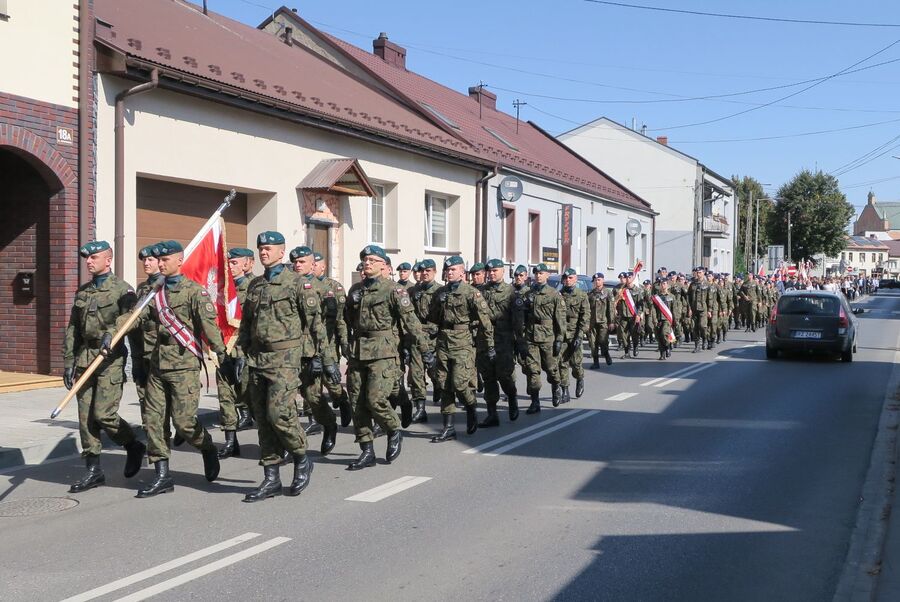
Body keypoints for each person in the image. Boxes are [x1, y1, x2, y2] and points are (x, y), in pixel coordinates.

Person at [123, 240, 226, 498]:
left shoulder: (194, 292)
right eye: (158, 260)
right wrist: (113, 332)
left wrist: (223, 355)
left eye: (165, 259)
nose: (160, 264)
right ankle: (162, 476)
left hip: (183, 365)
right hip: (157, 365)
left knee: (184, 424)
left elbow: (209, 327)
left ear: (180, 261)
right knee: (154, 421)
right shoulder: (153, 292)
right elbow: (135, 317)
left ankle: (207, 447)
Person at [237, 232, 324, 501]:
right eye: (260, 248)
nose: (263, 252)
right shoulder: (256, 285)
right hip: (257, 359)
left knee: (279, 414)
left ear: (281, 251)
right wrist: (240, 353)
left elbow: (315, 323)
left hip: (285, 360)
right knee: (263, 420)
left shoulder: (297, 284)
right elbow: (246, 324)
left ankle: (301, 458)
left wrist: (320, 357)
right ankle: (271, 478)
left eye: (268, 248)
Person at [64, 240, 144, 493]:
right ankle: (93, 470)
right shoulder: (83, 292)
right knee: (86, 417)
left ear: (108, 260)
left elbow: (130, 320)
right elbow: (73, 329)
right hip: (85, 357)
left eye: (94, 257)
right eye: (87, 258)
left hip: (110, 358)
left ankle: (132, 444)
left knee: (104, 414)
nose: (89, 261)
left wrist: (112, 334)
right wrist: (69, 361)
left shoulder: (123, 289)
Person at [344, 245, 432, 468]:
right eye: (365, 260)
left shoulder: (394, 290)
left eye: (373, 260)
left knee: (375, 399)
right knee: (357, 402)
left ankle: (393, 429)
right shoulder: (356, 289)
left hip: (383, 352)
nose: (367, 263)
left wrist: (426, 350)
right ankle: (367, 451)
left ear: (383, 264)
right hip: (358, 351)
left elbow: (411, 322)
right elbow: (347, 320)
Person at [428, 256, 494, 441]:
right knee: (444, 385)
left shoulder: (471, 293)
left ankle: (471, 406)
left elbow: (485, 321)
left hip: (463, 342)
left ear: (462, 272)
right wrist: (438, 305)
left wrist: (489, 345)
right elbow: (432, 319)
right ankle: (448, 427)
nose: (449, 273)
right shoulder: (440, 292)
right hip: (444, 341)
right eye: (447, 270)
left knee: (459, 384)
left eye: (453, 270)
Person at [289, 245, 342, 454]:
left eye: (302, 261)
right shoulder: (286, 285)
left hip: (311, 351)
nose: (297, 265)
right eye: (295, 262)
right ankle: (291, 444)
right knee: (284, 400)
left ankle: (329, 424)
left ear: (313, 265)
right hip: (287, 352)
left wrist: (323, 357)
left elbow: (326, 327)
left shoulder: (322, 289)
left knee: (312, 397)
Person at [215, 247, 256, 460]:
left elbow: (255, 325)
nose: (230, 267)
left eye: (234, 263)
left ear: (248, 264)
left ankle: (277, 441)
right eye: (228, 263)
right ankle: (231, 442)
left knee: (252, 396)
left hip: (248, 353)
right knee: (225, 397)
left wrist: (243, 353)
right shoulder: (222, 290)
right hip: (225, 351)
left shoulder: (255, 287)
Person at [128, 244, 170, 445]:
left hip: (162, 354)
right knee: (145, 397)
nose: (146, 263)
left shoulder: (167, 287)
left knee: (163, 400)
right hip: (143, 353)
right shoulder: (142, 289)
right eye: (144, 260)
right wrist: (135, 359)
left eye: (150, 259)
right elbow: (135, 325)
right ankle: (152, 439)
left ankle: (164, 436)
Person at [514, 263, 565, 413]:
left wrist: (559, 339)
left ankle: (556, 386)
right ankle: (535, 402)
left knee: (550, 368)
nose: (538, 276)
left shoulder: (554, 294)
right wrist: (521, 336)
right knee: (532, 370)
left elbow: (560, 319)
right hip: (531, 336)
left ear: (547, 275)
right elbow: (522, 316)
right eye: (536, 273)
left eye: (541, 273)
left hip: (548, 336)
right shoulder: (529, 294)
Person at [312, 251, 353, 431]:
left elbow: (341, 319)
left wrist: (344, 342)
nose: (313, 267)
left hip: (328, 341)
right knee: (310, 383)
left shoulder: (334, 288)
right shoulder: (301, 285)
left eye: (316, 264)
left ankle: (342, 400)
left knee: (331, 381)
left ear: (323, 267)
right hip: (308, 342)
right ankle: (314, 419)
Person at [478, 258, 519, 425]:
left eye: (495, 270)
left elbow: (517, 320)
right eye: (490, 271)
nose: (492, 273)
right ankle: (492, 414)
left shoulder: (511, 292)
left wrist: (519, 343)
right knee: (488, 377)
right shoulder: (481, 291)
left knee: (504, 375)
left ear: (503, 271)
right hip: (485, 339)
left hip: (504, 340)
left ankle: (512, 397)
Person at [408, 258, 441, 422]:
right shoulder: (414, 291)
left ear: (434, 272)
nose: (424, 274)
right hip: (417, 338)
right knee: (416, 374)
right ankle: (420, 408)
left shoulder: (440, 291)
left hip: (435, 339)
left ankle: (438, 386)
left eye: (428, 271)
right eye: (422, 271)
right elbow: (409, 316)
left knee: (435, 371)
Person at [558, 268, 589, 402]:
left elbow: (585, 316)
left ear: (575, 279)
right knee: (562, 363)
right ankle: (565, 391)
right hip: (562, 334)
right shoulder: (559, 295)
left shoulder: (581, 295)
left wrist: (580, 335)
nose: (568, 280)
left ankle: (580, 378)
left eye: (570, 278)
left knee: (576, 363)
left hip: (575, 334)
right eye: (566, 278)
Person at [587, 272, 614, 368]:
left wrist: (611, 322)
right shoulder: (591, 294)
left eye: (598, 280)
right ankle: (596, 362)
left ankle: (606, 354)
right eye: (595, 280)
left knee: (603, 341)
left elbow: (611, 308)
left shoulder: (608, 293)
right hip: (592, 322)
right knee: (592, 343)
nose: (597, 282)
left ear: (603, 280)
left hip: (603, 322)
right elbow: (587, 309)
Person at [651, 277, 676, 360]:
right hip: (658, 319)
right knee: (659, 337)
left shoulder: (671, 296)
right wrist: (654, 319)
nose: (662, 285)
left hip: (667, 319)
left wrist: (675, 320)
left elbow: (674, 309)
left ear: (667, 285)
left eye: (664, 284)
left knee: (664, 334)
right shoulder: (656, 297)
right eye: (661, 284)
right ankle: (662, 354)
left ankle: (668, 346)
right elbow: (653, 309)